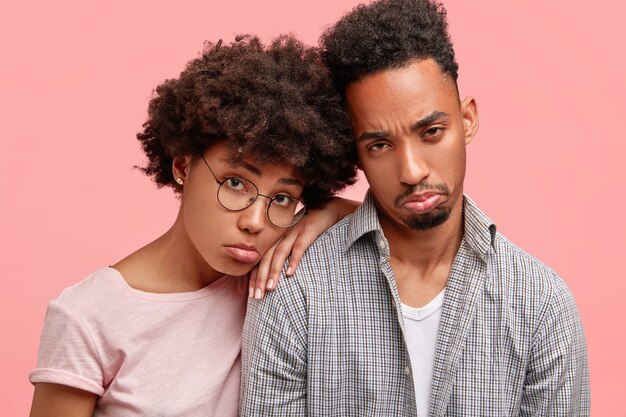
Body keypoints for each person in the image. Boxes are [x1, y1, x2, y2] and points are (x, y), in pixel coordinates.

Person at [240, 0, 590, 415]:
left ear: (468, 120)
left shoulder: (541, 304)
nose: (411, 171)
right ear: (356, 155)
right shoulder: (296, 291)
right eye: (380, 145)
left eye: (432, 131)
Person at [28, 34, 359, 417]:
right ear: (183, 167)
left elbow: (391, 221)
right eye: (235, 183)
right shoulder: (88, 317)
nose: (255, 222)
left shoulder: (276, 277)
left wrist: (329, 211)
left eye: (282, 198)